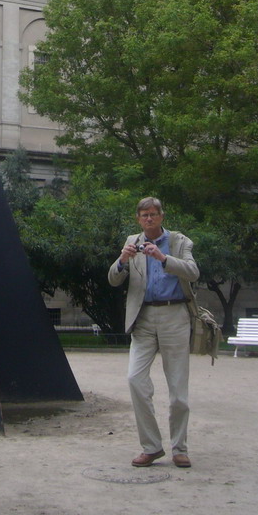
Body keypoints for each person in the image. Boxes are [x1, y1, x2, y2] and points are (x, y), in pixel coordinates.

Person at [108, 196, 199, 468]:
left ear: (161, 216)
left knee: (178, 390)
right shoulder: (131, 241)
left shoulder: (180, 242)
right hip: (143, 317)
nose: (149, 218)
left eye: (153, 214)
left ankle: (179, 448)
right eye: (144, 215)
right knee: (135, 379)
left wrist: (164, 258)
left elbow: (193, 272)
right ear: (138, 218)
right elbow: (113, 279)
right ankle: (151, 446)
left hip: (174, 315)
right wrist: (122, 261)